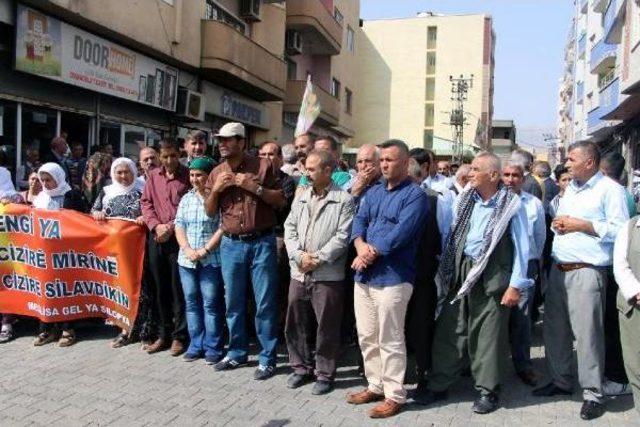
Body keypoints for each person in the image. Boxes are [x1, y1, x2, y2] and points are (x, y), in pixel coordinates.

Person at [417, 152, 531, 414]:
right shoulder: (466, 200)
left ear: (493, 175)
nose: (469, 173)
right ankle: (439, 384)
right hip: (461, 272)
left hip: (492, 277)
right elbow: (451, 235)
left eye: (476, 169)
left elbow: (523, 248)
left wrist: (515, 285)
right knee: (450, 328)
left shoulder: (512, 205)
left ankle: (488, 391)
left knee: (487, 336)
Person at [534, 141, 629, 420]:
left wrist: (583, 225)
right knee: (556, 330)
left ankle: (593, 394)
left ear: (589, 162)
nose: (567, 163)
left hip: (587, 272)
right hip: (559, 269)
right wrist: (561, 225)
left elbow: (620, 231)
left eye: (572, 159)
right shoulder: (570, 190)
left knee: (588, 336)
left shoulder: (611, 191)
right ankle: (562, 381)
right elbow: (566, 222)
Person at [346, 139, 428, 419]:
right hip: (365, 276)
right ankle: (375, 385)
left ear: (405, 163)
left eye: (390, 160)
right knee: (367, 336)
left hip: (394, 277)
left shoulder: (415, 195)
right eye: (382, 160)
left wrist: (369, 253)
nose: (383, 164)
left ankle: (395, 395)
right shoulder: (374, 192)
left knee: (390, 338)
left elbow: (400, 235)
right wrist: (359, 246)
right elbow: (359, 221)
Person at [205, 122, 285, 380]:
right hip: (230, 244)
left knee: (264, 303)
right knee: (233, 302)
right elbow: (209, 210)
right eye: (220, 139)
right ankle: (237, 352)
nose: (222, 144)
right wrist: (216, 190)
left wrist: (255, 188)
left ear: (242, 142)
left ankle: (267, 358)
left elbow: (281, 201)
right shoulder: (216, 171)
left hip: (261, 241)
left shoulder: (263, 166)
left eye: (228, 140)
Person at [283, 150, 355, 395]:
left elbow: (342, 237)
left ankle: (324, 373)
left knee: (327, 325)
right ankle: (300, 367)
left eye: (312, 169)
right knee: (296, 320)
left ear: (327, 171)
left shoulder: (343, 199)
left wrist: (318, 259)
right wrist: (299, 256)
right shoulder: (301, 196)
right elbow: (289, 227)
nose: (306, 173)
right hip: (299, 271)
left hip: (327, 274)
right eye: (306, 169)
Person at [141, 140, 191, 356]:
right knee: (160, 288)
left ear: (179, 154)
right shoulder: (153, 176)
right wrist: (155, 225)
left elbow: (188, 205)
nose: (169, 161)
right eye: (165, 156)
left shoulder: (188, 175)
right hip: (156, 237)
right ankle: (163, 334)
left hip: (178, 237)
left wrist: (169, 227)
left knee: (177, 288)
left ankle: (180, 336)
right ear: (160, 157)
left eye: (173, 156)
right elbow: (146, 203)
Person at [174, 157, 225, 364]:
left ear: (208, 176)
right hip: (186, 261)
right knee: (192, 303)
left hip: (210, 259)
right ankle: (196, 345)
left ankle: (213, 347)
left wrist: (204, 250)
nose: (195, 179)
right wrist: (186, 248)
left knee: (211, 304)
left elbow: (222, 227)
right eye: (192, 175)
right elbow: (179, 224)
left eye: (200, 175)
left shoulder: (217, 198)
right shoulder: (186, 198)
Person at [91, 158, 146, 348]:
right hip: (112, 251)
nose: (123, 176)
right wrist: (97, 215)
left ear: (134, 172)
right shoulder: (106, 192)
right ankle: (123, 327)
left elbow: (152, 211)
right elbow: (94, 212)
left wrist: (144, 217)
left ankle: (138, 328)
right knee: (118, 287)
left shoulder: (143, 191)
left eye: (127, 172)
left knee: (136, 287)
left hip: (137, 251)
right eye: (119, 172)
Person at [502, 161, 546, 386]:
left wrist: (531, 268)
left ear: (523, 178)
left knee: (522, 319)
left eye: (516, 175)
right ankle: (490, 365)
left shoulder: (534, 204)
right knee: (495, 319)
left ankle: (524, 365)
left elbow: (539, 240)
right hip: (498, 267)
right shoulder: (494, 201)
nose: (510, 179)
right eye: (506, 175)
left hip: (525, 267)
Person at [32, 163, 85, 347]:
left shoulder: (72, 195)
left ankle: (67, 328)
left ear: (58, 178)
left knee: (65, 290)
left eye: (49, 180)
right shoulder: (39, 198)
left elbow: (82, 222)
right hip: (44, 254)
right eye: (43, 180)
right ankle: (46, 329)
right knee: (46, 290)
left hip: (66, 255)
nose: (45, 184)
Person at [406, 157, 442, 399]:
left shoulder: (434, 200)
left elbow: (443, 238)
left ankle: (423, 375)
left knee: (421, 329)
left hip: (423, 278)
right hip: (396, 277)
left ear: (419, 177)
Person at [613, 214, 640, 414]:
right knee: (636, 367)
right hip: (635, 307)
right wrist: (635, 291)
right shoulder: (630, 228)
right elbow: (620, 265)